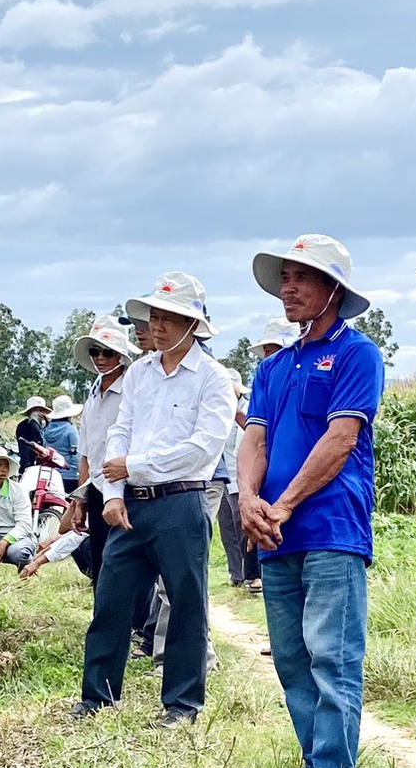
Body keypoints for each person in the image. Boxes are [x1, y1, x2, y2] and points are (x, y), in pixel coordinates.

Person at [239, 237, 388, 768]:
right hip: (275, 535)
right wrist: (250, 500)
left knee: (332, 656)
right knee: (293, 661)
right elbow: (255, 437)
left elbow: (342, 437)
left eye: (303, 277)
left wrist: (283, 504)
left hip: (329, 528)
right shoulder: (273, 366)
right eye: (286, 277)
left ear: (334, 290)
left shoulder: (357, 355)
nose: (289, 287)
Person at [80, 274, 235, 725]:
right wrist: (112, 493)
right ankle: (97, 697)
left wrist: (134, 467)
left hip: (181, 502)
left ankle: (182, 704)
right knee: (111, 598)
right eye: (155, 316)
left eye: (170, 317)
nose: (158, 325)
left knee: (186, 601)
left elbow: (202, 447)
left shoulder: (213, 378)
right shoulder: (141, 375)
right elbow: (118, 432)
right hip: (130, 502)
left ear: (194, 324)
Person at [218, 323, 294, 593]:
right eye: (267, 351)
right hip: (233, 477)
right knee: (232, 527)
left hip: (268, 480)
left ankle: (255, 576)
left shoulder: (249, 404)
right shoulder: (264, 389)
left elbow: (255, 432)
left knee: (250, 527)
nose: (270, 357)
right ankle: (239, 574)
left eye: (275, 350)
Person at [42, 396, 82, 481]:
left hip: (51, 474)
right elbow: (76, 454)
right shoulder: (71, 430)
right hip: (70, 474)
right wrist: (82, 472)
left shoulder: (46, 430)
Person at [14, 395, 50, 471]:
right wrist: (26, 466)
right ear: (30, 411)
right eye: (35, 409)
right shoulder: (23, 426)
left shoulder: (46, 426)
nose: (38, 412)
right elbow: (24, 448)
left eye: (41, 409)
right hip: (29, 464)